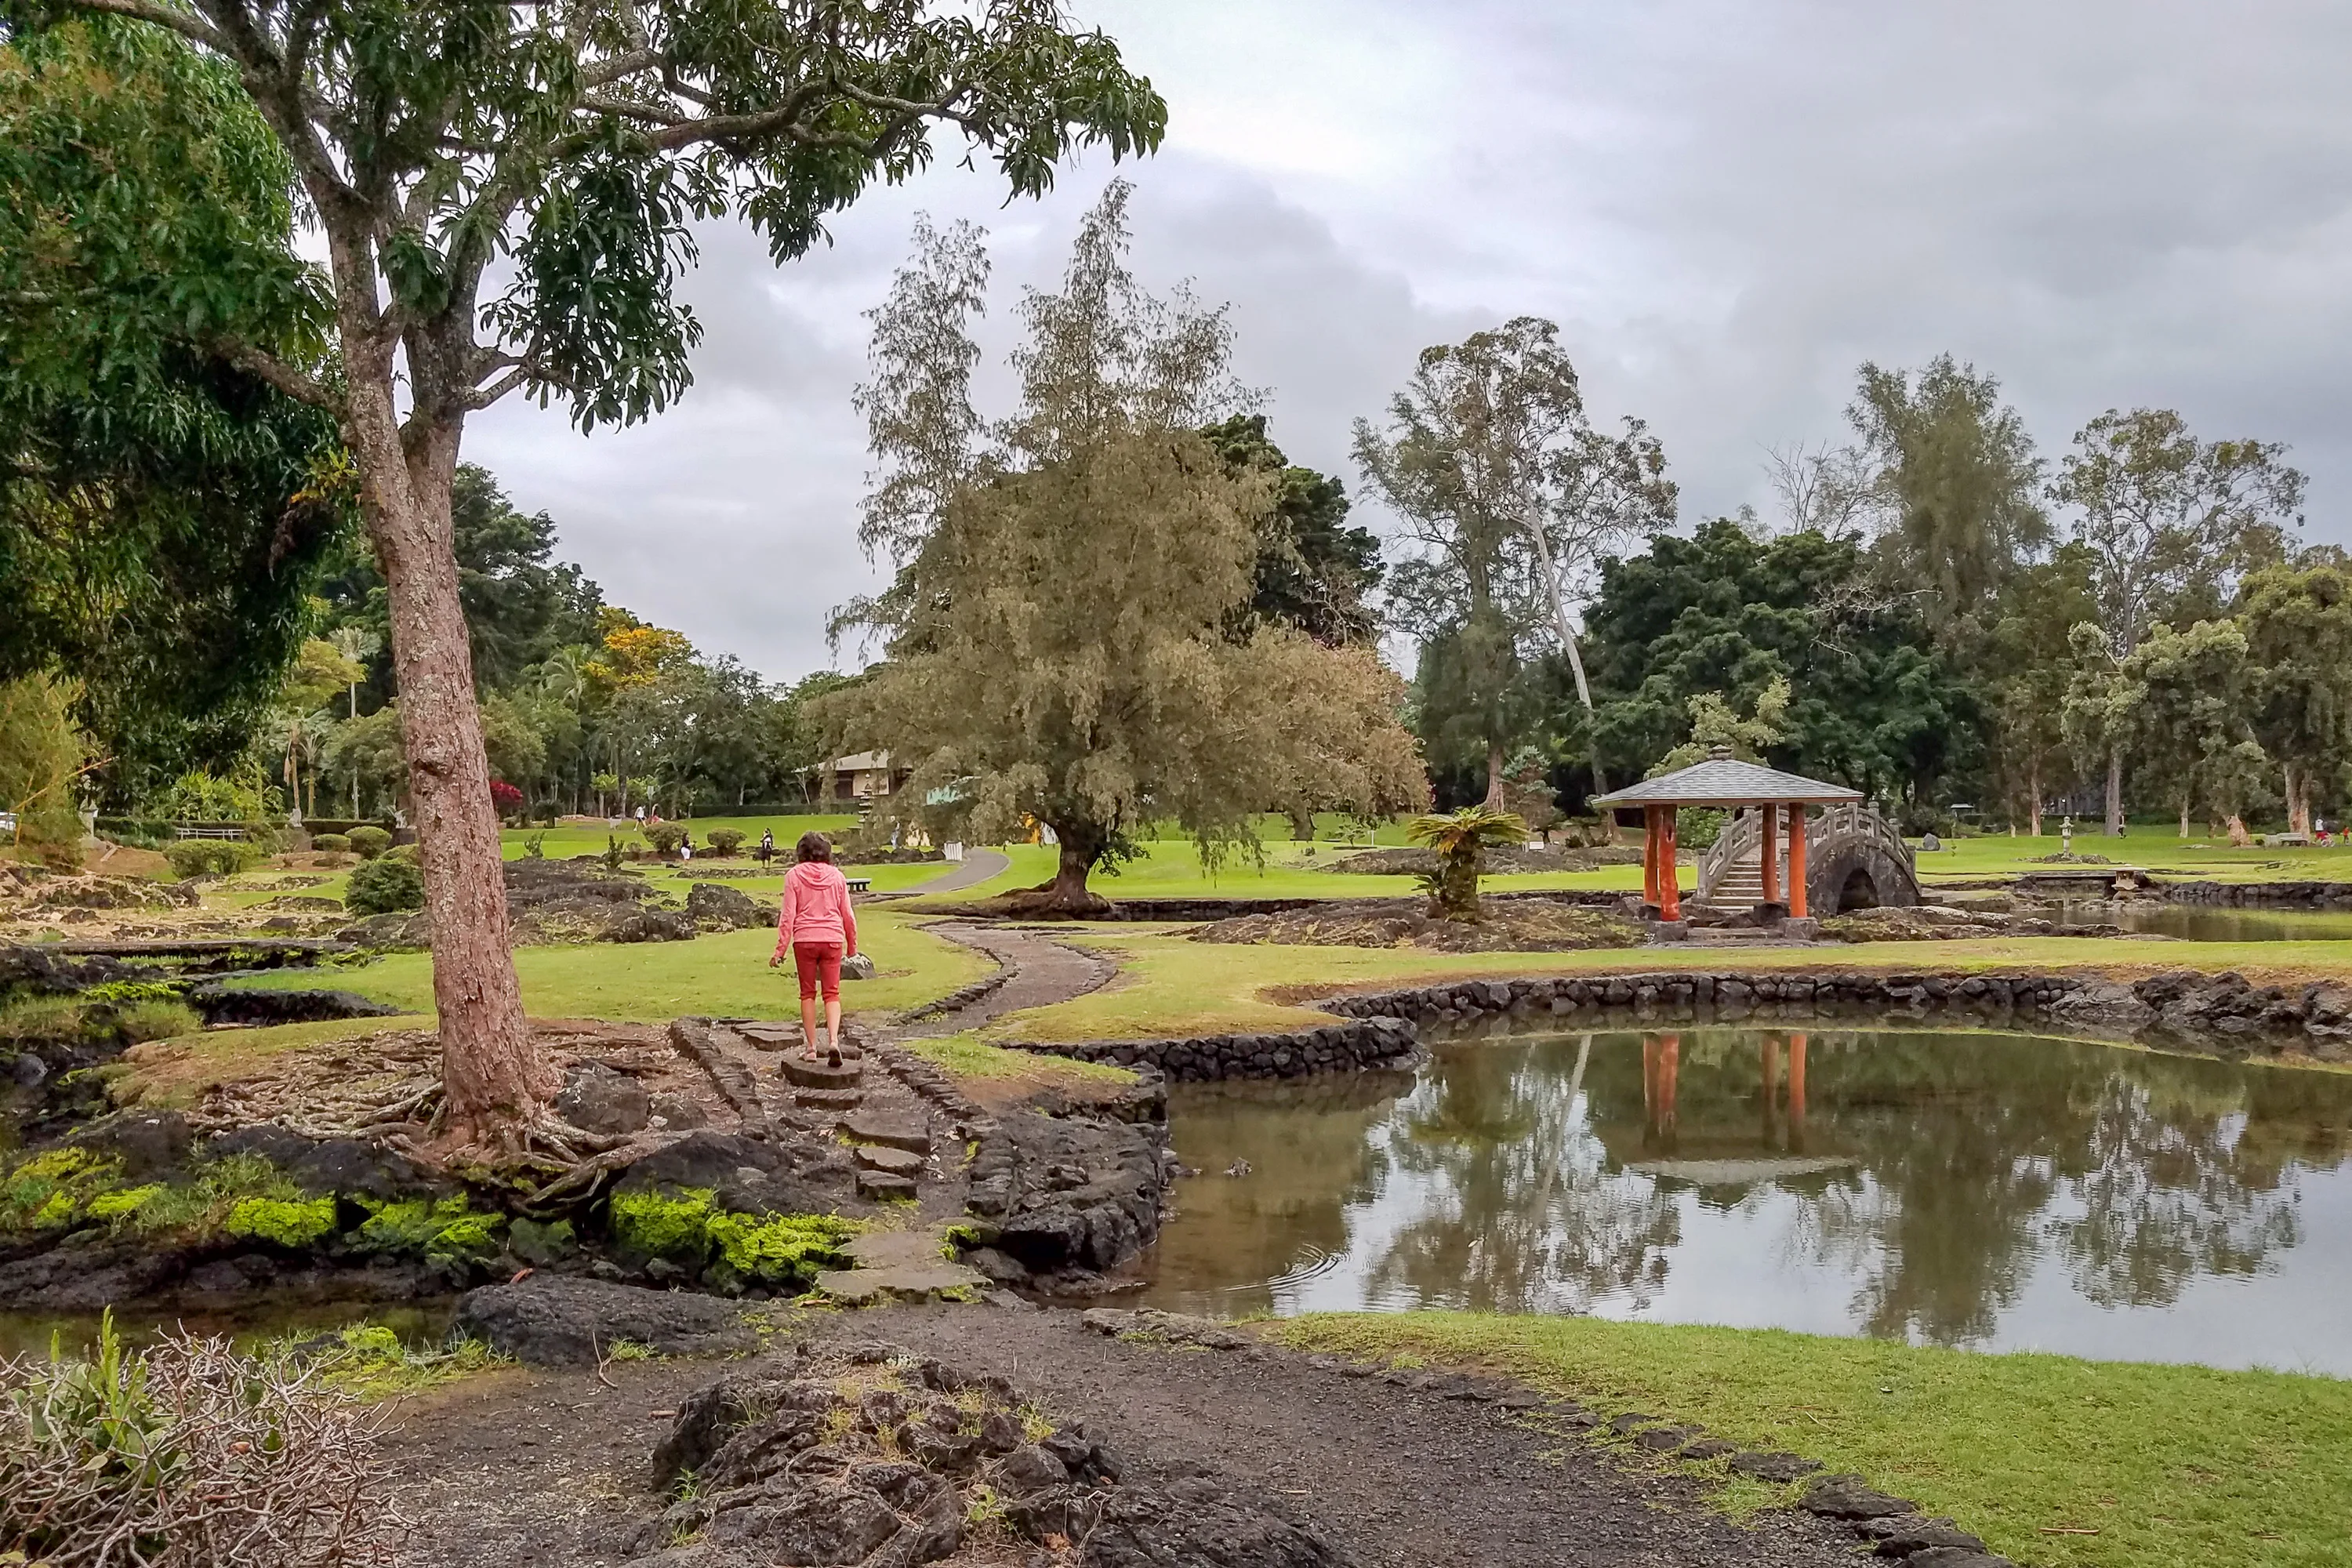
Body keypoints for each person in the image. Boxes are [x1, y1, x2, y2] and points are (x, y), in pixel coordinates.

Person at [770, 830, 858, 1064]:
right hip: (832, 939)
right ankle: (833, 1042)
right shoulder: (838, 876)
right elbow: (848, 915)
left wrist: (780, 950)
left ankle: (810, 1049)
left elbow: (788, 915)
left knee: (807, 993)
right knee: (832, 993)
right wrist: (852, 945)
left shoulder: (793, 876)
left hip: (805, 940)